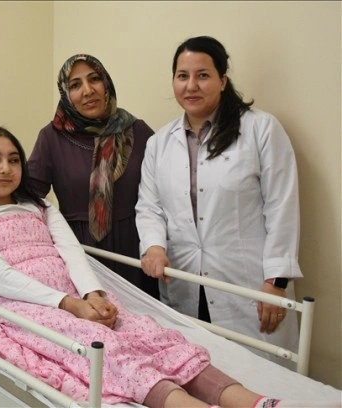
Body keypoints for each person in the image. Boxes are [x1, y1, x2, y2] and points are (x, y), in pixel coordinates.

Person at [0, 126, 287, 408]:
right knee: (103, 343)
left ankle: (253, 402)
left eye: (13, 160)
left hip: (76, 295)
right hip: (25, 306)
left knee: (149, 334)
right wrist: (70, 305)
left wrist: (93, 296)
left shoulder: (41, 207)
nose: (5, 168)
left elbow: (72, 253)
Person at [135, 36, 302, 367]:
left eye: (203, 75)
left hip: (249, 287)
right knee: (199, 375)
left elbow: (282, 206)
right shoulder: (159, 143)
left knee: (259, 377)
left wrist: (276, 282)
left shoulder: (261, 129)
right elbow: (150, 206)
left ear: (223, 80)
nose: (191, 86)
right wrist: (153, 247)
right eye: (182, 76)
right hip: (185, 280)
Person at [26, 54, 160, 299]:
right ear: (66, 93)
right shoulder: (51, 137)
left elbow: (164, 189)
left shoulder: (137, 131)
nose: (87, 91)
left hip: (135, 249)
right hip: (79, 252)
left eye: (94, 79)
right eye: (75, 85)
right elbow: (27, 196)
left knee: (143, 317)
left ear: (106, 84)